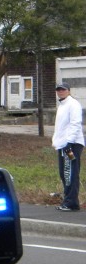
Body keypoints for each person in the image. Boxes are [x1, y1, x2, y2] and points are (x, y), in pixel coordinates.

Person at [52, 82, 84, 211]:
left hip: (72, 145)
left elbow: (75, 123)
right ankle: (69, 201)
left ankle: (71, 203)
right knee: (64, 173)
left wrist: (69, 142)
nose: (60, 91)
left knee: (70, 172)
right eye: (58, 90)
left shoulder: (73, 104)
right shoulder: (62, 105)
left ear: (69, 91)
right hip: (63, 145)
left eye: (63, 90)